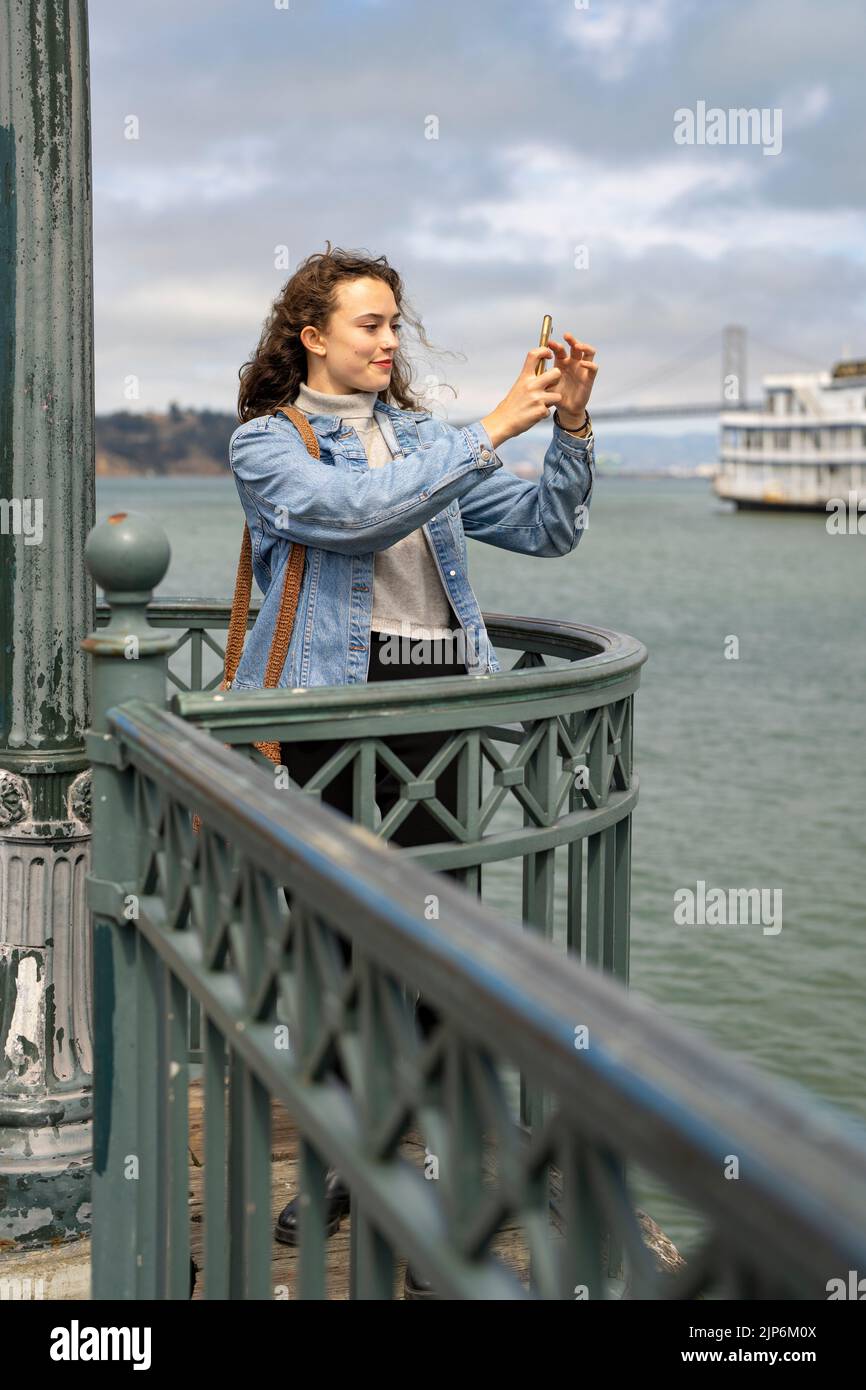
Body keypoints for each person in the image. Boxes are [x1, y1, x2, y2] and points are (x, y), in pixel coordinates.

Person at [228, 242, 599, 1297]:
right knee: (340, 957)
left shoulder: (429, 438)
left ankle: (436, 1182)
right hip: (329, 723)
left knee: (434, 956)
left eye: (396, 323)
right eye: (369, 324)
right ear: (312, 335)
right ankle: (345, 1162)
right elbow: (351, 518)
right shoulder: (267, 443)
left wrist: (565, 426)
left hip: (436, 722)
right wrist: (487, 432)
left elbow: (545, 526)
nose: (391, 341)